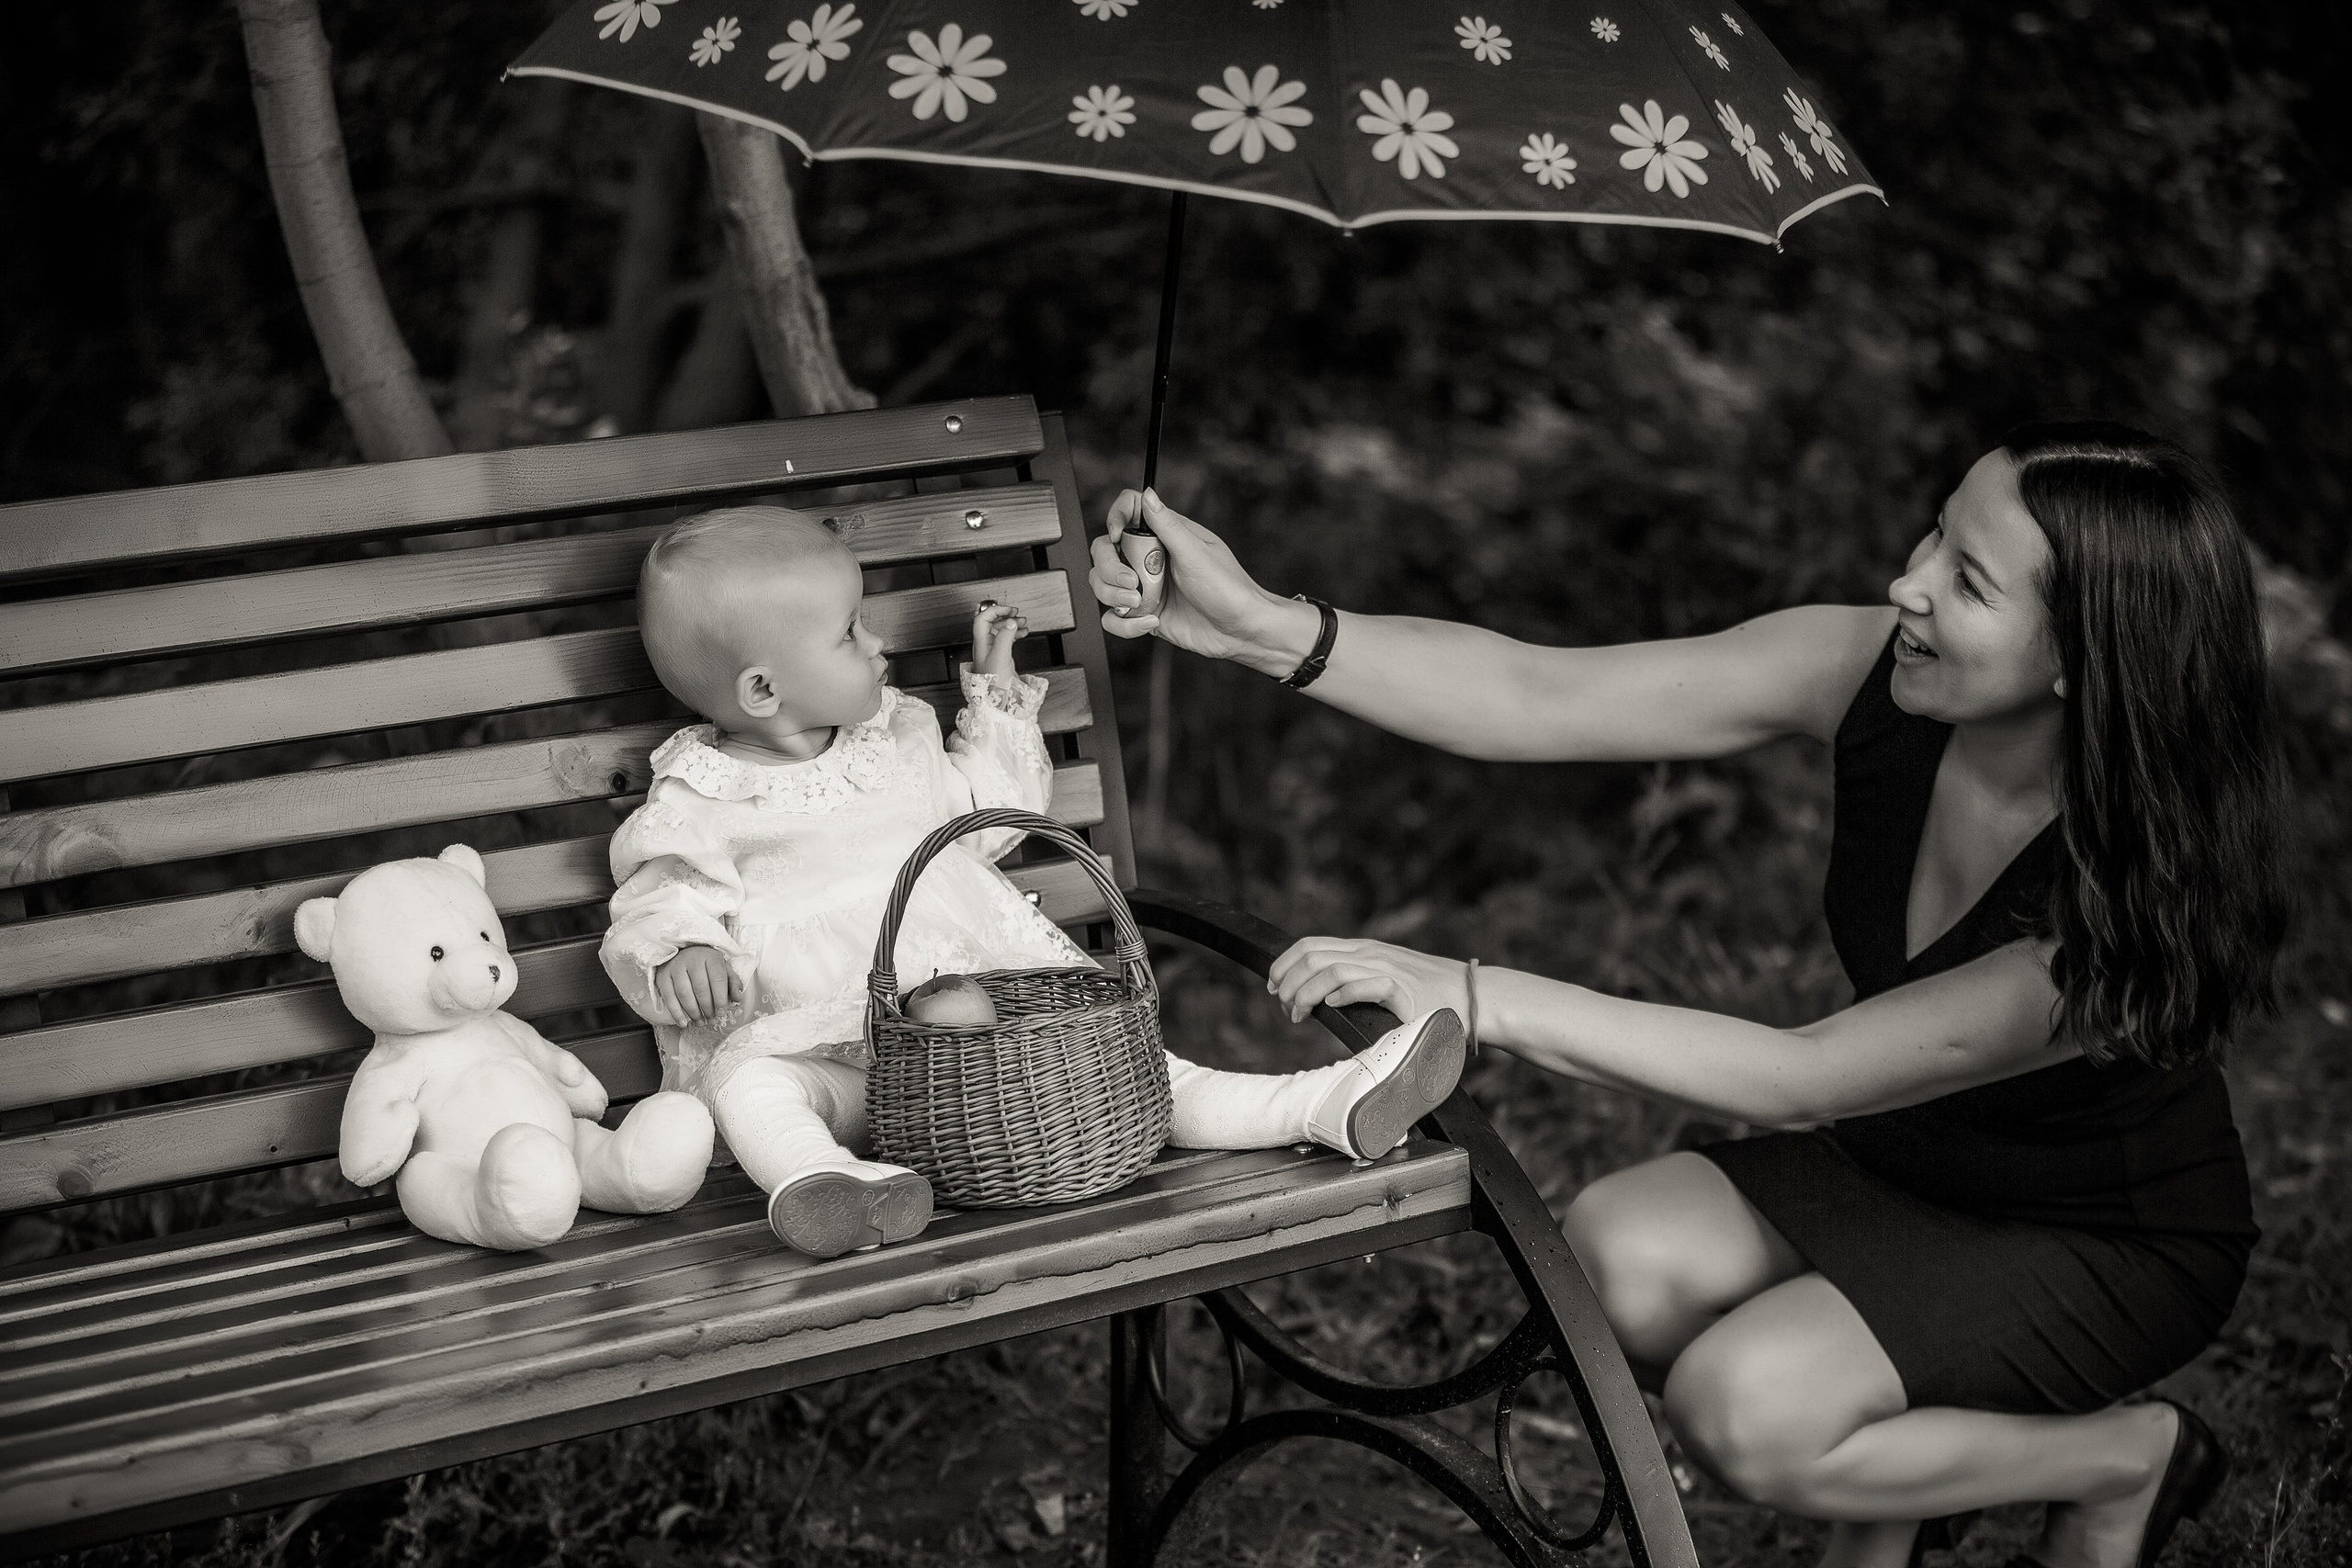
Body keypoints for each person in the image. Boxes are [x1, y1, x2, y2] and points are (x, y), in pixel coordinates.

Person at [1087, 423, 2288, 1568]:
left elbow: (1798, 1071)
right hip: (1909, 1162)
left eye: (1967, 580)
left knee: (1747, 1405)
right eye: (1932, 536)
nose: (1907, 581)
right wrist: (1260, 627)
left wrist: (1470, 989)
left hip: (2104, 1234)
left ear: (2084, 659)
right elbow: (1542, 694)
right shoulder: (1876, 668)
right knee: (1616, 1255)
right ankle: (1909, 1487)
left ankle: (2125, 1459)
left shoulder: (2108, 909)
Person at [599, 505, 1465, 1258]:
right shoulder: (702, 793)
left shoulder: (896, 738)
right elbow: (659, 893)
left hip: (996, 1055)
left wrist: (998, 699)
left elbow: (997, 819)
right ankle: (824, 1180)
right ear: (761, 688)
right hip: (844, 1066)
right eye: (849, 632)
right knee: (750, 1084)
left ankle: (1325, 1100)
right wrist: (682, 950)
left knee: (1139, 1075)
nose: (879, 641)